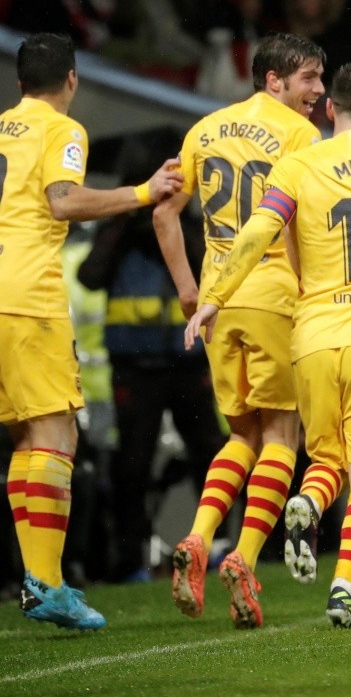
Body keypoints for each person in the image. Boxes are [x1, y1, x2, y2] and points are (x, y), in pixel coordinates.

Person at [185, 60, 351, 627]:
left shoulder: (299, 164)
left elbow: (259, 230)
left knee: (326, 457)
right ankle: (344, 590)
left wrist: (215, 294)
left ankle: (307, 502)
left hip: (312, 341)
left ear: (330, 110)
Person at [0, 32, 183, 630]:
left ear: (21, 81)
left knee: (29, 438)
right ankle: (46, 584)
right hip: (28, 299)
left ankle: (36, 580)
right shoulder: (62, 130)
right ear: (72, 80)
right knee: (55, 436)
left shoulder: (2, 127)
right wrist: (142, 192)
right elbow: (62, 201)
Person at [153, 32, 325, 629]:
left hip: (219, 306)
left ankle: (200, 537)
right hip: (274, 297)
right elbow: (298, 228)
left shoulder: (204, 130)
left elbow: (163, 212)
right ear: (273, 81)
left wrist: (188, 291)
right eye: (308, 78)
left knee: (241, 436)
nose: (319, 90)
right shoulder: (302, 136)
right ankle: (245, 558)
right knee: (283, 436)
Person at [76, 128, 227, 583]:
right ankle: (130, 557)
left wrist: (172, 223)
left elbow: (207, 264)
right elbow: (90, 275)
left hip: (186, 360)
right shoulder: (118, 225)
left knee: (210, 453)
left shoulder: (186, 220)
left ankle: (220, 545)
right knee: (132, 467)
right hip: (135, 366)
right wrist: (129, 220)